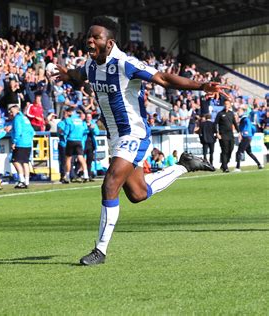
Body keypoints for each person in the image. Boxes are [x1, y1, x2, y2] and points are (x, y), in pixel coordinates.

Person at [55, 16, 224, 265]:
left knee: (110, 184)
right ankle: (185, 165)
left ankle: (99, 251)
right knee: (137, 193)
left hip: (133, 134)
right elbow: (79, 74)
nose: (89, 40)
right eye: (88, 36)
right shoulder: (91, 64)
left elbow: (164, 79)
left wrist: (201, 86)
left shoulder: (125, 64)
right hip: (115, 137)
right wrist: (67, 75)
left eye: (96, 37)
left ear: (109, 42)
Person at [9, 103, 35, 189]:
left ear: (17, 110)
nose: (10, 113)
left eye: (12, 111)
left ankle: (22, 180)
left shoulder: (17, 118)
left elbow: (18, 131)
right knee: (25, 162)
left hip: (20, 143)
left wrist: (14, 142)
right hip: (27, 143)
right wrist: (28, 139)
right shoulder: (25, 118)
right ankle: (26, 181)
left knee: (15, 161)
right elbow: (32, 131)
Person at [63, 109, 89, 183]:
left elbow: (66, 131)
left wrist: (63, 134)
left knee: (68, 158)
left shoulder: (69, 120)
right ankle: (86, 174)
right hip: (79, 140)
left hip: (71, 140)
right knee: (81, 157)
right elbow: (85, 130)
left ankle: (67, 176)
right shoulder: (80, 121)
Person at [234, 107, 263, 172]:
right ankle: (259, 164)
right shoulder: (246, 119)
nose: (238, 112)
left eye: (239, 110)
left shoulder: (244, 119)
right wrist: (251, 135)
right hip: (248, 137)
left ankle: (237, 168)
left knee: (239, 152)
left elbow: (245, 126)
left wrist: (243, 134)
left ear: (242, 111)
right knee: (249, 152)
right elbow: (253, 128)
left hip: (245, 137)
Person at [215, 100, 239, 172]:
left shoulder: (231, 113)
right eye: (225, 104)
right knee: (224, 150)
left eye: (227, 104)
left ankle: (224, 164)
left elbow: (234, 123)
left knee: (231, 149)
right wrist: (217, 133)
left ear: (229, 105)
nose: (226, 105)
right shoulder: (220, 113)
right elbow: (215, 123)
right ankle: (225, 167)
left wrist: (239, 132)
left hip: (230, 135)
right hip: (223, 135)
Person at [83, 112, 100, 180]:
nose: (88, 118)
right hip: (83, 143)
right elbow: (82, 132)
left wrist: (93, 128)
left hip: (91, 144)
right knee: (81, 159)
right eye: (87, 117)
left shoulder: (93, 123)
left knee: (89, 160)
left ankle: (89, 175)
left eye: (89, 117)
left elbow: (97, 132)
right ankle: (77, 174)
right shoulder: (83, 123)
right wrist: (88, 129)